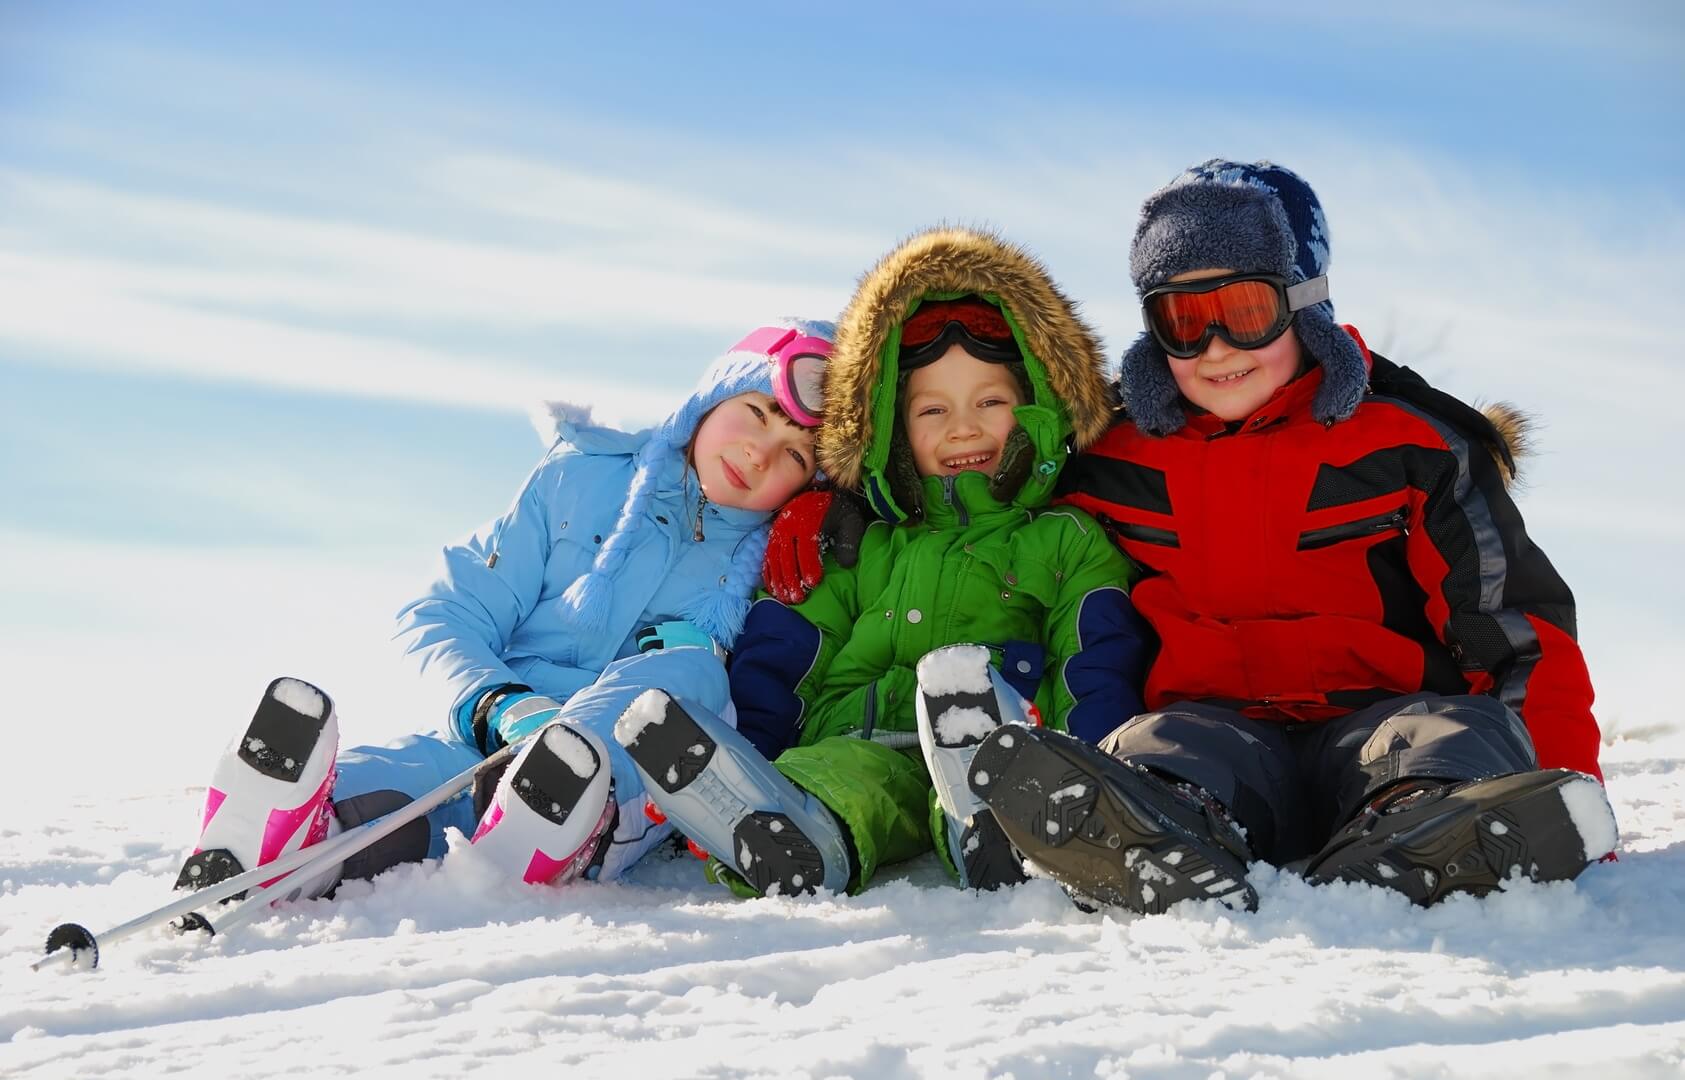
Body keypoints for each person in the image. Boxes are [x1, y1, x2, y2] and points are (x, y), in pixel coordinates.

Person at [962, 159, 1618, 912]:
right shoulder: (1110, 456)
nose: (1212, 346)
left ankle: (1425, 828)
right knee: (1162, 750)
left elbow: (1513, 631)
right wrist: (833, 508)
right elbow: (977, 527)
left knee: (1452, 733)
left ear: (1304, 305)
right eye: (1181, 318)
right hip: (1216, 731)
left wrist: (1567, 786)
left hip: (1383, 721)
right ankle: (1158, 833)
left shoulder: (1408, 446)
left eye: (1241, 309)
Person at [176, 320, 837, 897]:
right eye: (754, 413)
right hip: (493, 732)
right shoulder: (579, 480)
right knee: (411, 778)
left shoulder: (787, 556)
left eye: (794, 455)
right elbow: (446, 613)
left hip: (629, 770)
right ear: (709, 396)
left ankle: (573, 805)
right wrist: (496, 702)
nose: (759, 452)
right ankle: (287, 827)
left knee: (687, 674)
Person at [613, 227, 1153, 897]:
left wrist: (1092, 772)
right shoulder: (859, 542)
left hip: (1006, 737)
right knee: (840, 776)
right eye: (932, 410)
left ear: (1038, 408)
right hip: (859, 735)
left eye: (990, 402)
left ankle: (1001, 829)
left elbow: (1091, 657)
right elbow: (786, 652)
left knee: (988, 748)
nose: (962, 428)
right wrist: (754, 754)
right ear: (893, 433)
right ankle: (784, 825)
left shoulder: (1063, 538)